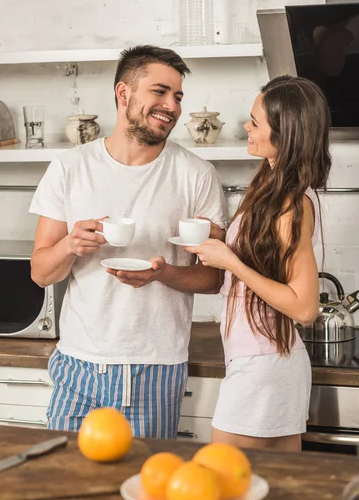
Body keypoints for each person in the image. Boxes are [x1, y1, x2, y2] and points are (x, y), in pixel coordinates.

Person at [29, 45, 228, 437]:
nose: (171, 105)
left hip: (156, 363)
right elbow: (39, 272)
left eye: (178, 96)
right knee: (65, 482)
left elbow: (214, 279)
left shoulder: (197, 175)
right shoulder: (69, 168)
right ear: (124, 94)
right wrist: (70, 245)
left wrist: (163, 274)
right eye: (160, 91)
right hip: (77, 364)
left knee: (144, 488)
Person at [185, 75, 332, 452]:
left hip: (264, 365)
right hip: (259, 360)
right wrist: (218, 242)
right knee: (274, 489)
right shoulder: (270, 186)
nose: (246, 128)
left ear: (284, 133)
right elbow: (261, 262)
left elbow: (304, 307)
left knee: (222, 477)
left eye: (255, 122)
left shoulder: (292, 203)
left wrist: (230, 261)